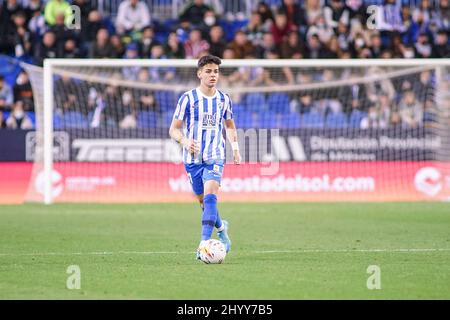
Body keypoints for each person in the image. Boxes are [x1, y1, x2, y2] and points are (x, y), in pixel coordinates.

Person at [169, 55, 241, 260]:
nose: (213, 75)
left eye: (216, 71)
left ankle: (203, 245)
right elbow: (173, 130)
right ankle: (222, 228)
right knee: (203, 202)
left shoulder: (224, 99)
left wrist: (235, 148)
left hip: (215, 155)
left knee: (211, 196)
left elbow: (230, 125)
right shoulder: (188, 99)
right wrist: (184, 141)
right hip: (192, 159)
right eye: (208, 71)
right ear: (199, 74)